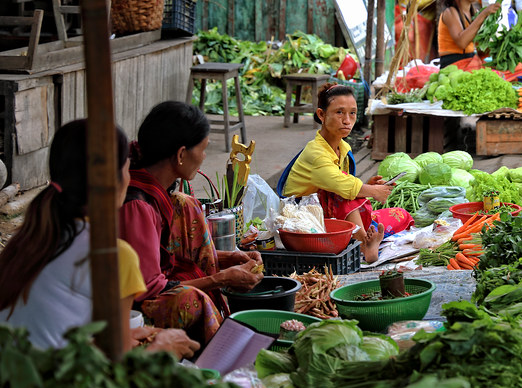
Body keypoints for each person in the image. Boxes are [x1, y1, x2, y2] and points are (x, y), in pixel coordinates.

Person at [0, 120, 198, 358]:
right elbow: (117, 366)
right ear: (113, 180)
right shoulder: (114, 255)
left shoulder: (26, 240)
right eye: (127, 168)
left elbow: (55, 334)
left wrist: (124, 338)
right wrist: (163, 347)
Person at [120, 102, 263, 344]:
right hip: (130, 308)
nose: (205, 157)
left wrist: (227, 258)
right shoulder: (137, 207)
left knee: (184, 204)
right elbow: (147, 289)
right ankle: (216, 350)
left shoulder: (161, 194)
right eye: (203, 149)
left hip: (153, 282)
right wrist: (223, 278)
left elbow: (159, 254)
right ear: (181, 154)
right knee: (191, 300)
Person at [283, 84, 411, 264]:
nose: (347, 120)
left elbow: (344, 183)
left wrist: (368, 184)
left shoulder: (343, 148)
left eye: (352, 113)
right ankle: (363, 244)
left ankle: (364, 235)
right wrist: (373, 191)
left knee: (400, 214)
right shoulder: (315, 153)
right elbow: (341, 185)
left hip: (331, 214)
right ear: (322, 115)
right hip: (304, 222)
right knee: (341, 191)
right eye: (339, 113)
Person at [437, 0, 501, 69]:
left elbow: (479, 48)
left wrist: (499, 44)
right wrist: (483, 14)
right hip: (453, 66)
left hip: (470, 62)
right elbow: (462, 42)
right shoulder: (450, 12)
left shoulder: (474, 13)